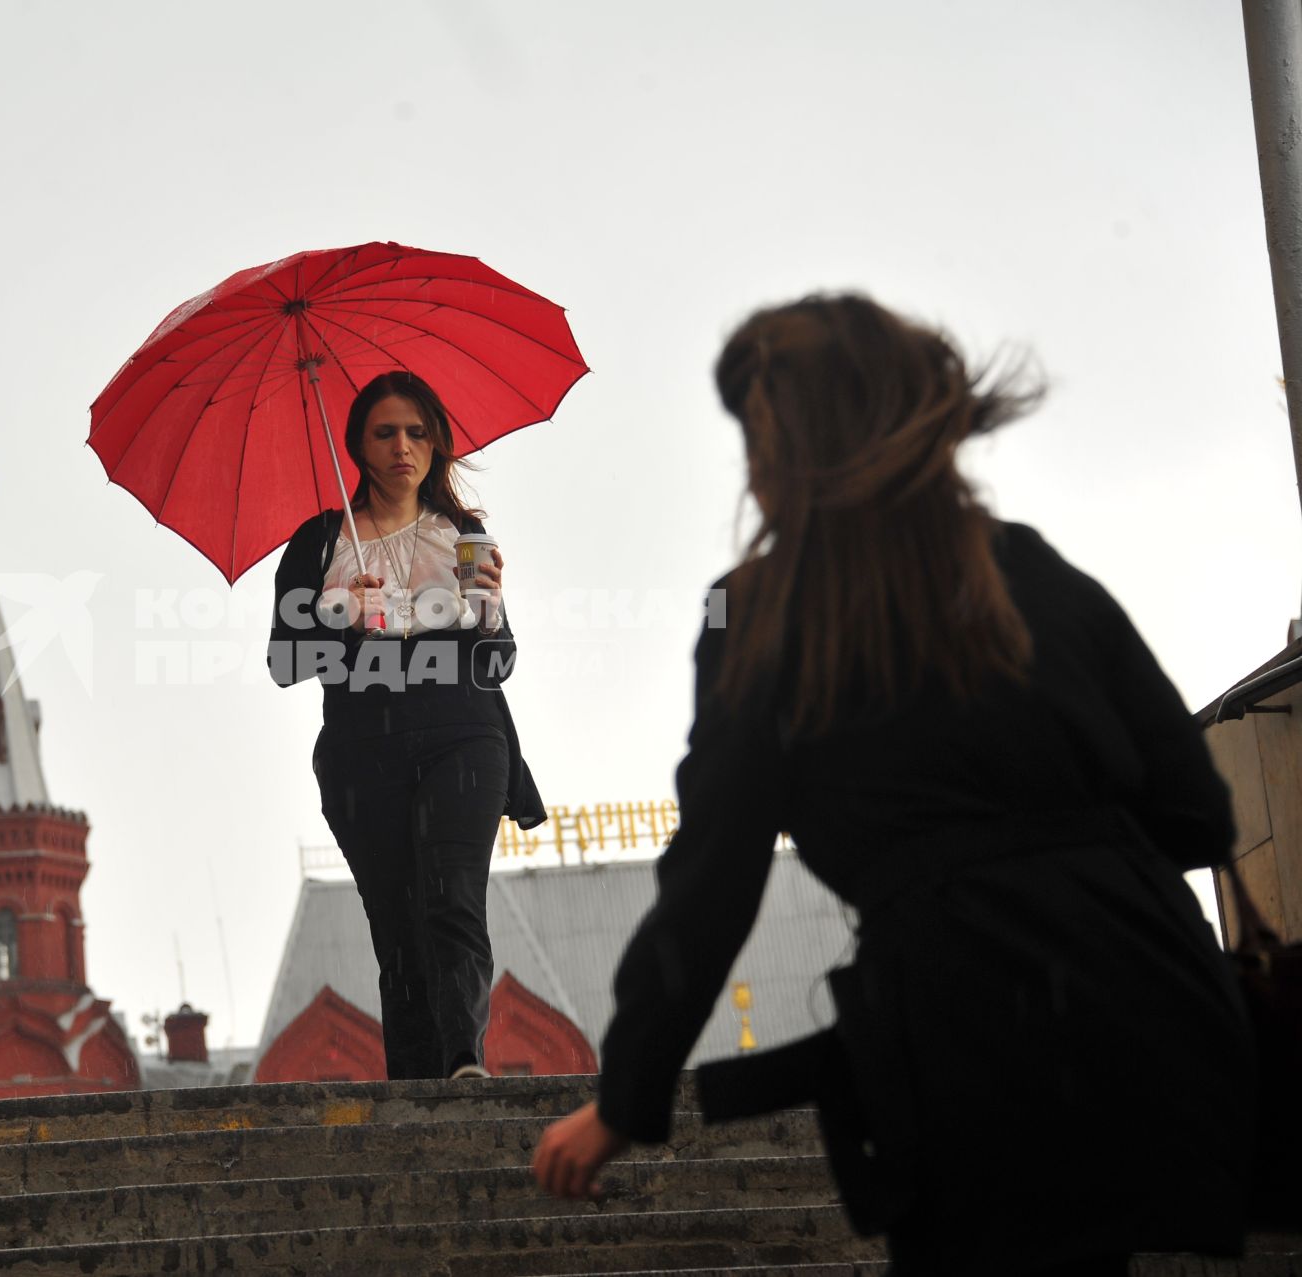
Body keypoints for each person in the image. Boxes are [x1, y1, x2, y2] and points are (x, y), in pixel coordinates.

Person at [532, 296, 1256, 1274]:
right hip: (1154, 1005)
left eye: (755, 433)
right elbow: (1198, 813)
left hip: (961, 1025)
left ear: (790, 444)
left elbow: (714, 873)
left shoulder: (748, 609)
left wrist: (626, 1096)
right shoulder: (1034, 568)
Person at [268, 369, 546, 1080]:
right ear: (357, 445)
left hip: (463, 732)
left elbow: (501, 660)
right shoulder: (320, 543)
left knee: (453, 898)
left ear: (437, 444)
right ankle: (416, 1090)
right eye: (385, 432)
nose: (402, 447)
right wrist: (343, 619)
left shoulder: (464, 533)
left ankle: (463, 1062)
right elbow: (284, 661)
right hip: (365, 750)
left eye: (417, 432)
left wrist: (487, 608)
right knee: (397, 930)